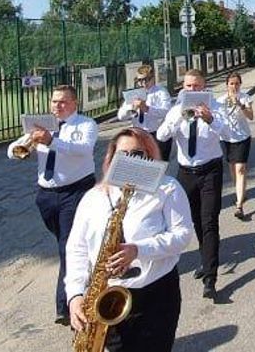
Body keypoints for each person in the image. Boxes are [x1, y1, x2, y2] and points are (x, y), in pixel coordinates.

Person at [65, 127, 194, 352]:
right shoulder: (93, 197)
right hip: (107, 295)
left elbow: (182, 235)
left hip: (155, 294)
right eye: (122, 154)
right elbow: (77, 248)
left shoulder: (167, 188)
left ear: (150, 156)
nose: (130, 160)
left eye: (138, 154)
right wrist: (75, 295)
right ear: (111, 158)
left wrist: (138, 249)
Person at [7, 84, 98, 324]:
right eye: (54, 101)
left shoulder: (86, 125)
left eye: (63, 102)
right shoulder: (42, 127)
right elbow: (10, 151)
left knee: (67, 246)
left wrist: (51, 141)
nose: (57, 106)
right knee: (66, 243)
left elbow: (83, 150)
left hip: (75, 191)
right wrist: (28, 141)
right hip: (46, 195)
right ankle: (85, 271)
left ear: (74, 103)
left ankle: (66, 305)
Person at [156, 69, 237, 301]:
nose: (193, 90)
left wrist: (209, 118)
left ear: (205, 87)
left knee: (209, 221)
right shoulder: (176, 109)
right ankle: (205, 259)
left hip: (210, 170)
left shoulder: (215, 106)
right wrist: (179, 117)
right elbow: (161, 136)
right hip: (185, 173)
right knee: (193, 221)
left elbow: (227, 132)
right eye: (189, 86)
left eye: (197, 86)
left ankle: (210, 278)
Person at [217, 72, 255, 220]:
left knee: (240, 169)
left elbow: (251, 116)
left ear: (240, 84)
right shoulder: (220, 100)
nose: (234, 86)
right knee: (233, 168)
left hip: (242, 137)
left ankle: (239, 205)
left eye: (237, 84)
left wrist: (240, 105)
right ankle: (240, 190)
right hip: (226, 138)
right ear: (227, 85)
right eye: (231, 84)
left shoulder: (245, 97)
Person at [116, 64, 173, 160]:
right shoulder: (133, 94)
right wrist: (130, 107)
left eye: (146, 79)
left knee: (158, 166)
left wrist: (146, 108)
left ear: (153, 78)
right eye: (139, 80)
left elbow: (166, 112)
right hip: (138, 135)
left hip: (156, 135)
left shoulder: (161, 92)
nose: (143, 83)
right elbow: (120, 116)